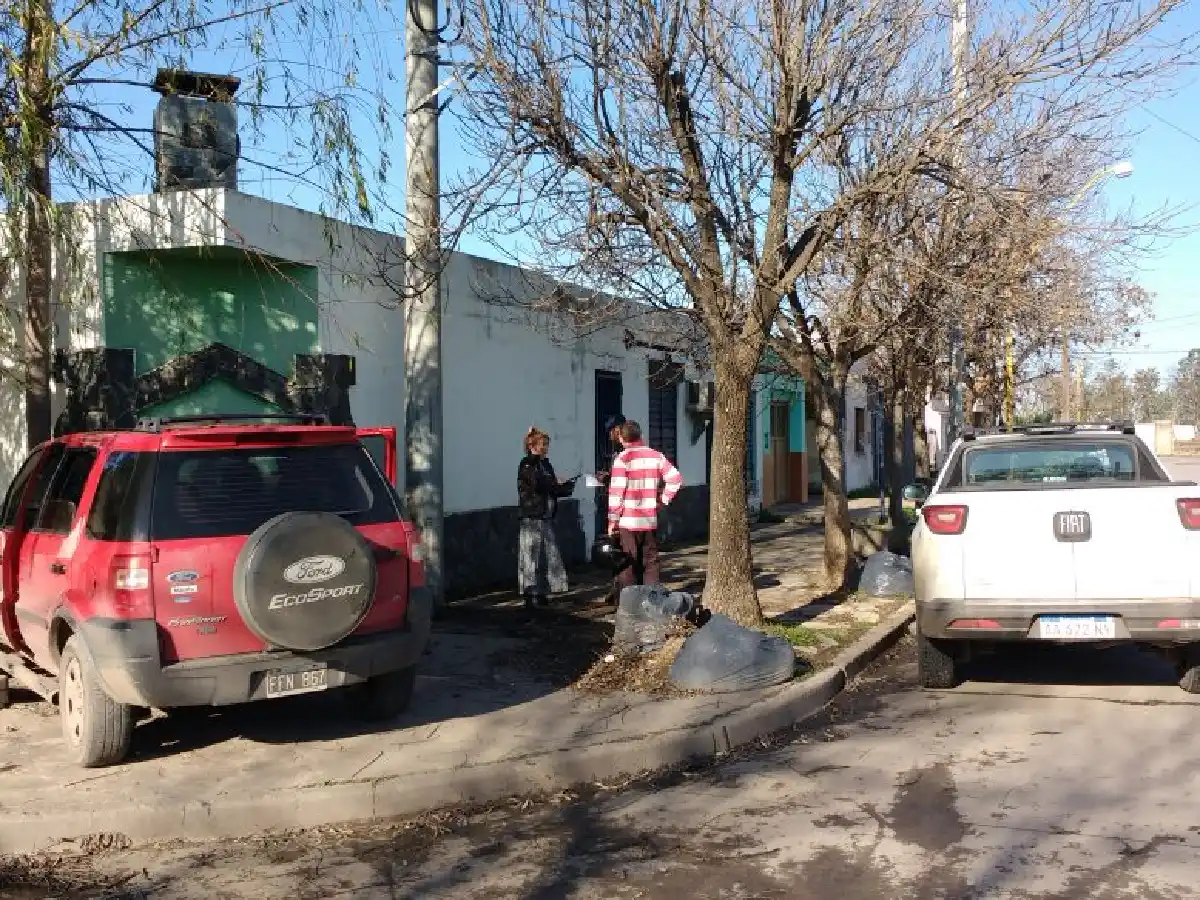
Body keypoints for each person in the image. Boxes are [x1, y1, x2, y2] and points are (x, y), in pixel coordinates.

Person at [607, 420, 683, 588]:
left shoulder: (622, 459)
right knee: (650, 562)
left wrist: (613, 521)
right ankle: (651, 601)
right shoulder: (656, 456)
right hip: (649, 519)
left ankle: (629, 604)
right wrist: (662, 500)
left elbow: (616, 493)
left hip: (628, 521)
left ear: (621, 439)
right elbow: (675, 479)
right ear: (641, 435)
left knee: (628, 563)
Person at [517, 427, 578, 608]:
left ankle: (544, 589)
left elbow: (551, 487)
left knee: (548, 554)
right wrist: (554, 482)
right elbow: (538, 484)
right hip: (532, 515)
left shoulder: (545, 464)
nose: (546, 448)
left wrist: (566, 486)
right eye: (543, 445)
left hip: (546, 515)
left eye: (547, 445)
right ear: (532, 445)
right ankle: (530, 592)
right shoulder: (527, 464)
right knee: (530, 555)